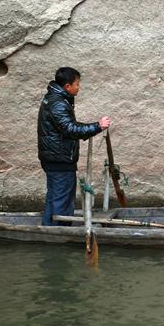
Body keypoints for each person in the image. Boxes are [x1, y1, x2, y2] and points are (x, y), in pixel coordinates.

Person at [37, 67, 111, 226]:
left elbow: (67, 126)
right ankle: (59, 234)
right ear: (67, 87)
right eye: (77, 84)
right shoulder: (58, 104)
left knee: (54, 196)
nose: (79, 87)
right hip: (59, 160)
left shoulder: (54, 98)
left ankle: (48, 229)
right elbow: (70, 129)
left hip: (54, 158)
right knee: (62, 199)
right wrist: (97, 126)